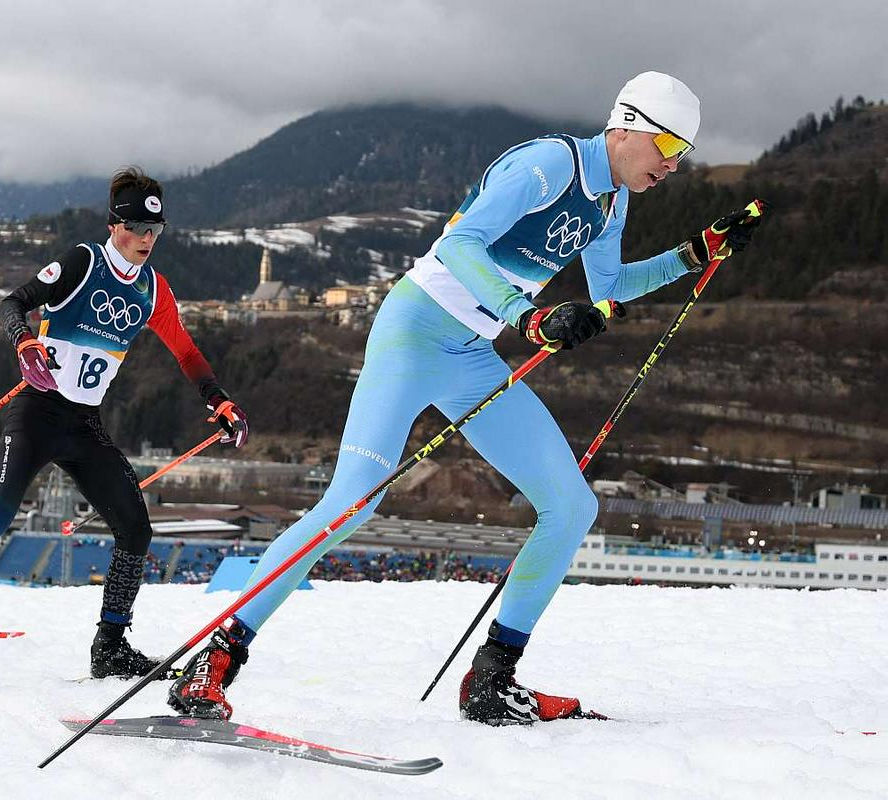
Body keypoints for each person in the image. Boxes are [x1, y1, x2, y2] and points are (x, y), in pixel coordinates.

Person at [167, 72, 765, 724]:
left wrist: (697, 251)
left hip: (470, 356)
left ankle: (492, 680)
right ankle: (215, 657)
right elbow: (459, 243)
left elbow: (611, 283)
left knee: (570, 508)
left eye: (684, 155)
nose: (672, 166)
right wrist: (526, 315)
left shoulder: (612, 203)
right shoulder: (547, 166)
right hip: (415, 332)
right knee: (355, 500)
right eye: (668, 145)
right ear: (626, 125)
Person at [0, 167, 249, 679]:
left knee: (136, 529)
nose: (147, 240)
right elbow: (12, 302)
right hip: (37, 414)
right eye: (137, 228)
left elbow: (187, 352)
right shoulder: (84, 262)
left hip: (84, 424)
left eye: (156, 231)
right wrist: (24, 340)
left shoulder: (154, 289)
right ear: (115, 225)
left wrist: (218, 400)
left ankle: (109, 647)